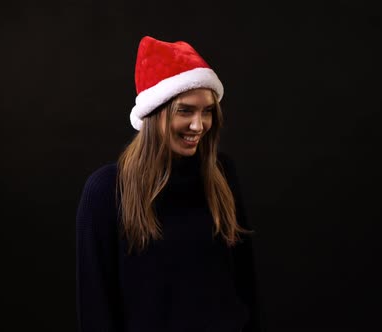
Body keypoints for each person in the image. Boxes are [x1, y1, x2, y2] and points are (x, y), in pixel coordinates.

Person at [76, 35, 266, 332]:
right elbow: (96, 307)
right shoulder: (106, 190)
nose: (199, 125)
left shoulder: (221, 174)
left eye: (207, 112)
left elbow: (245, 283)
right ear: (154, 114)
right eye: (185, 110)